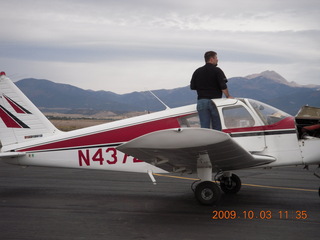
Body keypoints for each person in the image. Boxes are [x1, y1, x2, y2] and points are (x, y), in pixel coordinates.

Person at [190, 51, 233, 130]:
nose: (217, 60)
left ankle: (206, 141)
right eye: (216, 58)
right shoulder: (217, 71)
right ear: (211, 59)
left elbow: (192, 87)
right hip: (215, 102)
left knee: (205, 128)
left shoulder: (197, 71)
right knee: (217, 127)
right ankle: (217, 141)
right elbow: (223, 86)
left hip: (202, 101)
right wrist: (228, 96)